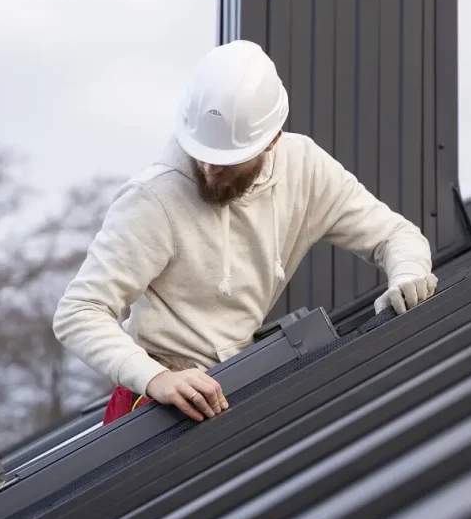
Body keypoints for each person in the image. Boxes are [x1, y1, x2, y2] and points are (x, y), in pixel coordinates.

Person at [53, 40, 438, 425]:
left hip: (233, 389)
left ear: (272, 140)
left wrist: (407, 276)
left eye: (226, 161)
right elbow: (80, 311)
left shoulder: (304, 170)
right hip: (152, 405)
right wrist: (157, 378)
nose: (209, 170)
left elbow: (395, 235)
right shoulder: (153, 198)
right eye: (201, 154)